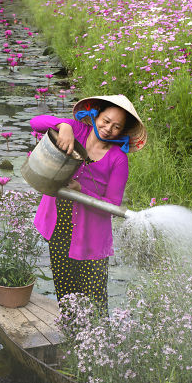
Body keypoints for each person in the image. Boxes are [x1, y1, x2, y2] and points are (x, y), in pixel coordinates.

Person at [30, 95, 147, 308]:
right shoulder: (78, 131)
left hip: (91, 235)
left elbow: (112, 204)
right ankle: (71, 336)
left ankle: (99, 340)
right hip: (59, 224)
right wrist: (63, 125)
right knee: (66, 294)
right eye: (106, 120)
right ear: (96, 114)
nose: (108, 128)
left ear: (121, 132)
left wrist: (82, 190)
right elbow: (35, 122)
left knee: (95, 300)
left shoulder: (118, 158)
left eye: (116, 126)